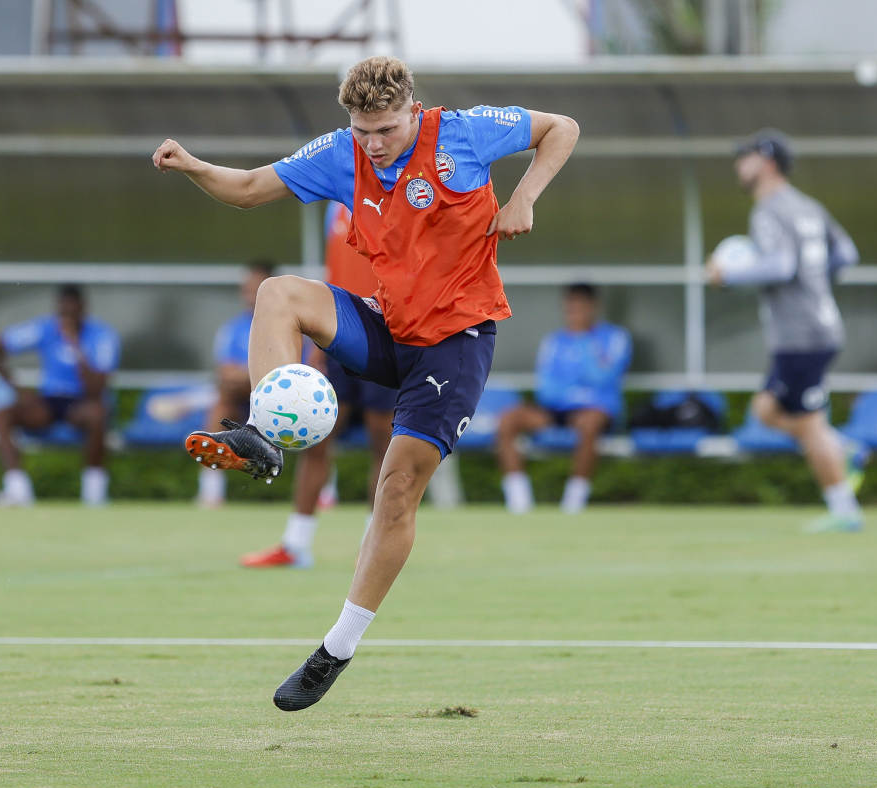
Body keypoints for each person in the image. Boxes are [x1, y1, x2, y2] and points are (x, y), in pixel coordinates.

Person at [154, 55, 578, 710]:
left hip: (456, 344)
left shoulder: (465, 132)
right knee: (279, 293)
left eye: (385, 129)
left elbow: (563, 128)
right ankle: (263, 433)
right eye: (362, 130)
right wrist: (193, 167)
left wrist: (524, 195)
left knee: (398, 489)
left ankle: (337, 649)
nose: (374, 143)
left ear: (413, 109)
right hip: (388, 327)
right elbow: (246, 189)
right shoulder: (342, 153)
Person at [706, 128, 863, 534]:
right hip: (816, 327)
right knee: (766, 411)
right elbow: (847, 253)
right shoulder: (808, 206)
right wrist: (817, 286)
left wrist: (728, 274)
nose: (739, 166)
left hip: (803, 335)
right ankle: (843, 447)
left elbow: (781, 267)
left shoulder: (769, 210)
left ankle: (844, 509)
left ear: (767, 161)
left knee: (808, 424)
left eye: (746, 157)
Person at [239, 202, 397, 568]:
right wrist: (321, 343)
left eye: (377, 137)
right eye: (362, 138)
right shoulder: (337, 205)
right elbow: (335, 272)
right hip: (342, 340)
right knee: (314, 438)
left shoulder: (400, 189)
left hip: (389, 336)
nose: (369, 143)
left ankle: (372, 547)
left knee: (384, 446)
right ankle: (295, 545)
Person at [496, 283, 631, 514]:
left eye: (580, 307)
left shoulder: (616, 338)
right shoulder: (554, 342)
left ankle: (573, 503)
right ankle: (519, 502)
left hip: (595, 411)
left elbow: (604, 378)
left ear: (593, 307)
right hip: (556, 410)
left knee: (589, 422)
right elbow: (547, 389)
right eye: (570, 308)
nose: (574, 313)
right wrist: (574, 393)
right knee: (509, 420)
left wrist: (584, 339)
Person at [0, 284, 120, 506]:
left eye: (72, 311)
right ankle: (18, 490)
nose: (66, 317)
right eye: (62, 312)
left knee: (98, 414)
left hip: (81, 403)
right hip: (50, 401)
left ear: (83, 309)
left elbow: (97, 388)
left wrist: (75, 344)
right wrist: (17, 389)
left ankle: (94, 493)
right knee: (3, 415)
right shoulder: (44, 329)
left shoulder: (102, 336)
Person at [196, 260, 275, 509]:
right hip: (243, 401)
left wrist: (250, 375)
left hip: (281, 404)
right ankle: (211, 492)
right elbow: (225, 373)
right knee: (221, 405)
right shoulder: (232, 329)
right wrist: (253, 375)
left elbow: (287, 373)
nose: (249, 295)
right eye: (246, 289)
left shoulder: (289, 326)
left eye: (255, 289)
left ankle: (325, 492)